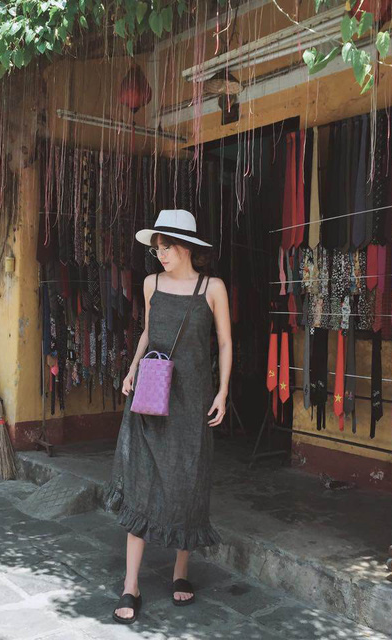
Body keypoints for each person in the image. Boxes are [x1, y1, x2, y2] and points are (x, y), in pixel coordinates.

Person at [104, 209, 232, 624]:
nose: (160, 254)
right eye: (157, 247)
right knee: (140, 482)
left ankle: (181, 571)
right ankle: (131, 585)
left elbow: (225, 343)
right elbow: (147, 332)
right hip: (150, 392)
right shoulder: (151, 283)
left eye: (167, 246)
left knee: (186, 482)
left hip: (192, 399)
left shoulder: (212, 287)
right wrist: (131, 369)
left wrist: (223, 391)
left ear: (187, 247)